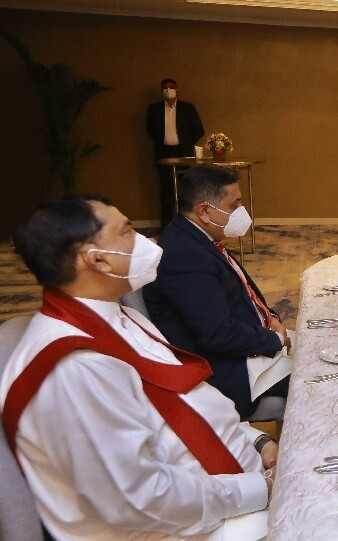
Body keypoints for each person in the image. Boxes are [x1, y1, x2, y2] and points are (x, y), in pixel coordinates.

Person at [0, 195, 276, 539]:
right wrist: (262, 489)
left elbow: (189, 400)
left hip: (226, 487)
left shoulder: (119, 316)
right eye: (127, 231)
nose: (148, 242)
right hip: (190, 528)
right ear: (98, 259)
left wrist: (257, 442)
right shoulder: (74, 368)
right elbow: (136, 500)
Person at [144, 164, 290, 418]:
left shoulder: (197, 237)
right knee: (322, 379)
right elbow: (218, 335)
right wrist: (274, 340)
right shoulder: (184, 254)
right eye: (234, 206)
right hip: (230, 371)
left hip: (247, 345)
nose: (241, 213)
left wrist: (271, 318)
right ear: (204, 211)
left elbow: (241, 294)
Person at [146, 78, 205, 227]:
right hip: (164, 153)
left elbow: (199, 129)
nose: (168, 90)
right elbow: (150, 130)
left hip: (183, 152)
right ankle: (167, 225)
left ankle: (188, 224)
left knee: (186, 188)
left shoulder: (187, 108)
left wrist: (186, 143)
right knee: (167, 191)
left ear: (176, 89)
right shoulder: (154, 109)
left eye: (171, 87)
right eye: (165, 88)